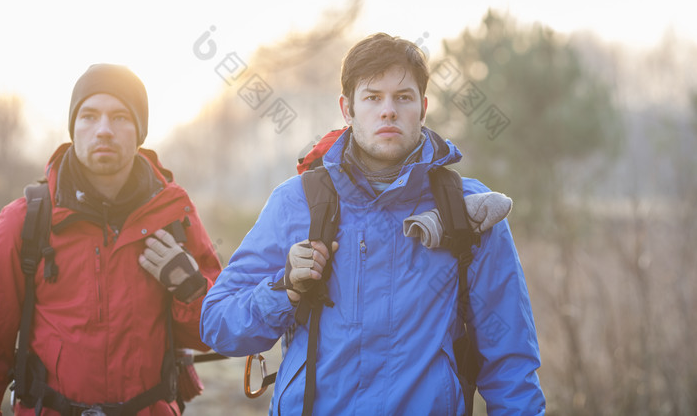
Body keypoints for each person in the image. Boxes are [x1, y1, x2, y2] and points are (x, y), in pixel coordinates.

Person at [200, 33, 545, 414]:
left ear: (423, 107)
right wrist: (285, 289)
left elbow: (511, 362)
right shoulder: (296, 201)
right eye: (372, 97)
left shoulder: (469, 211)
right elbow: (218, 324)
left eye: (403, 97)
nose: (388, 111)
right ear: (347, 109)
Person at [0, 64, 223, 415]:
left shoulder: (174, 216)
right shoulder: (24, 221)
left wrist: (190, 287)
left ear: (140, 131)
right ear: (73, 127)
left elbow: (215, 332)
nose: (103, 130)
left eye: (120, 117)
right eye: (88, 116)